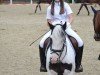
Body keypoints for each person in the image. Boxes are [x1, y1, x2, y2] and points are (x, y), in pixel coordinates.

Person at [39, 0, 84, 72]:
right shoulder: (50, 7)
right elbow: (48, 21)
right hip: (54, 28)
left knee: (80, 42)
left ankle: (78, 65)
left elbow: (71, 17)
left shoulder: (66, 5)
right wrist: (53, 27)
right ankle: (43, 65)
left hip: (65, 27)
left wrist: (67, 25)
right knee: (41, 43)